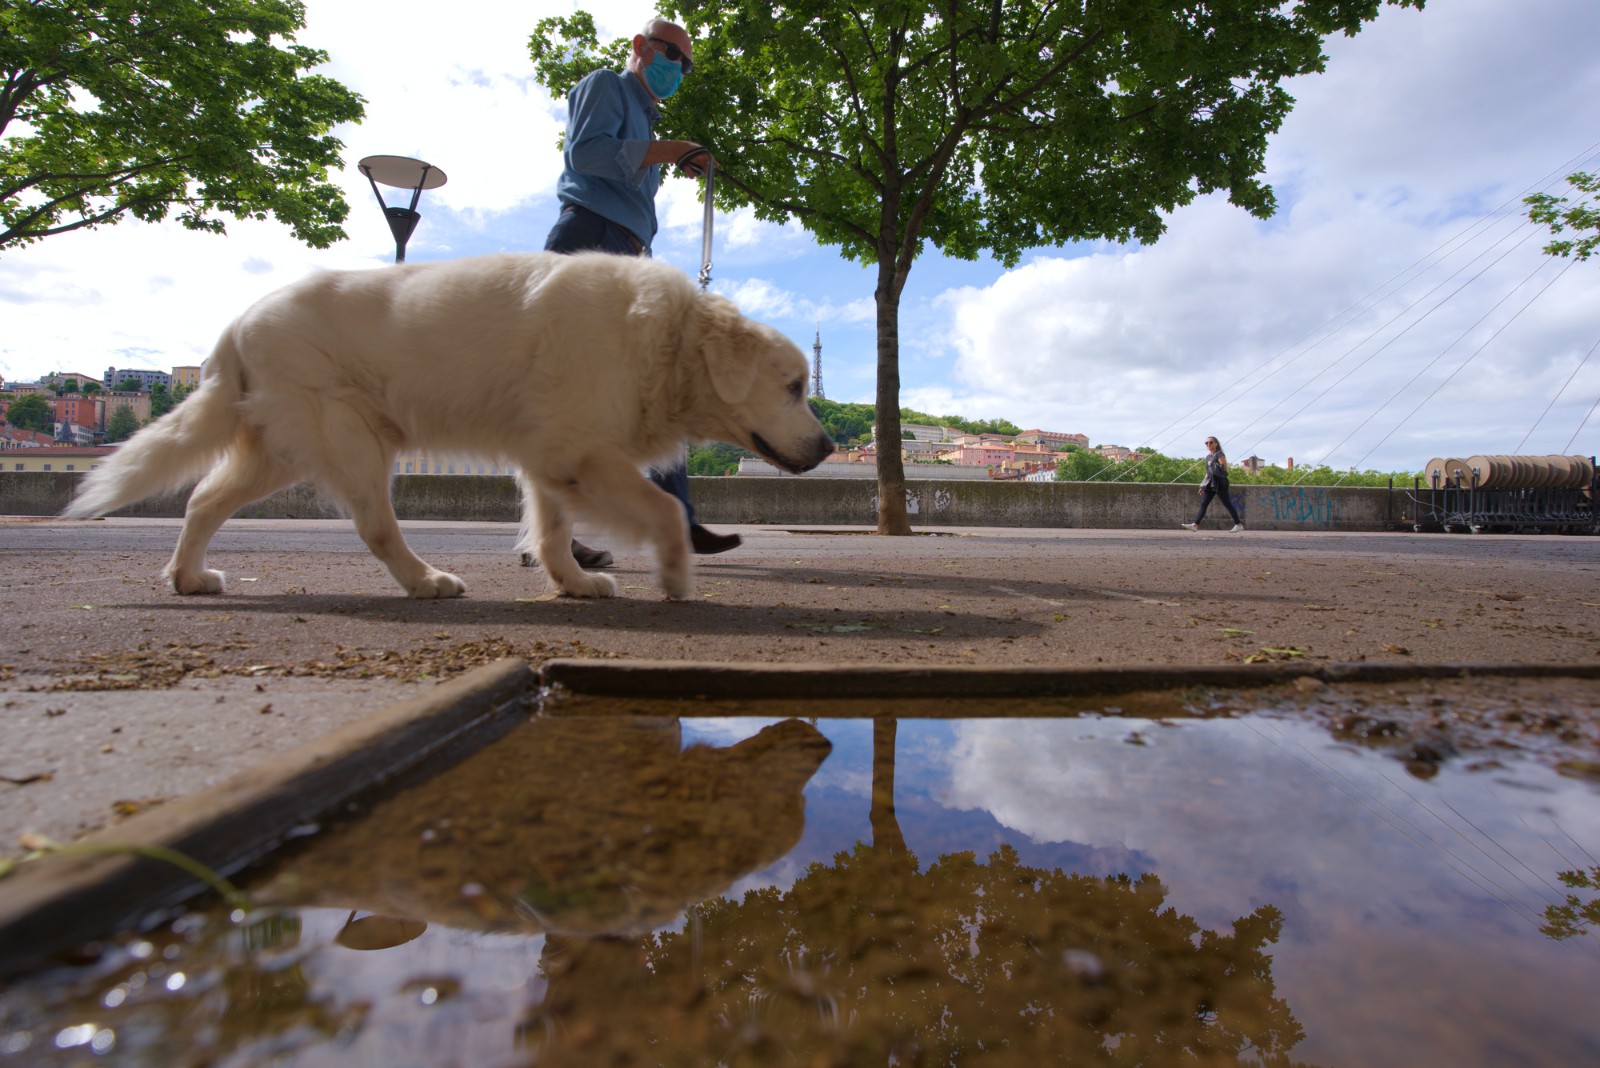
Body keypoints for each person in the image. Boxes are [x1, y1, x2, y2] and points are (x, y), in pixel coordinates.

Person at [529, 16, 740, 570]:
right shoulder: (605, 85)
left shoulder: (647, 123)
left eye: (686, 64)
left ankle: (680, 520)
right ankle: (552, 537)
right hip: (588, 237)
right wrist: (669, 150)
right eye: (672, 53)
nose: (678, 68)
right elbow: (587, 156)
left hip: (623, 251)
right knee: (567, 394)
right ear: (640, 47)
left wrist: (665, 154)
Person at [1182, 435, 1244, 532]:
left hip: (1220, 483)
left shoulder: (1219, 454)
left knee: (1227, 503)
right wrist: (1202, 485)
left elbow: (1224, 469)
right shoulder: (1208, 457)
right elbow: (1208, 473)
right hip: (1210, 483)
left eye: (1211, 442)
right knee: (1204, 504)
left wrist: (1213, 464)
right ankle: (1195, 525)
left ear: (1216, 444)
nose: (1208, 444)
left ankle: (1238, 524)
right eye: (1206, 443)